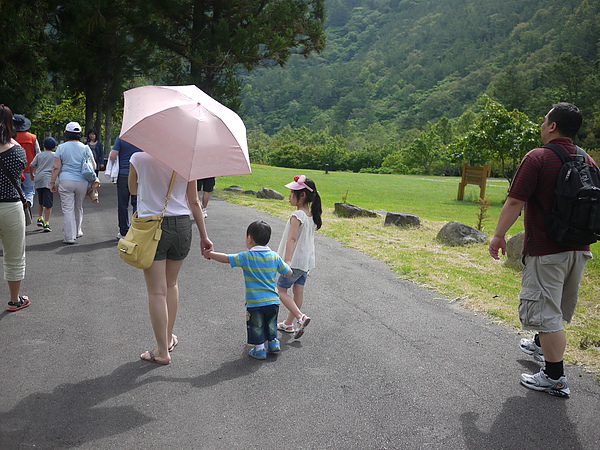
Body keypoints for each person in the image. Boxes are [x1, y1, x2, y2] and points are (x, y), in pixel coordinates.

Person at [489, 102, 596, 398]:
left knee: (547, 312)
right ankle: (539, 343)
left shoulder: (537, 157)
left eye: (544, 120)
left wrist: (499, 235)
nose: (541, 124)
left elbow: (514, 201)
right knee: (556, 305)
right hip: (580, 249)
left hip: (547, 251)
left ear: (552, 126)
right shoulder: (587, 159)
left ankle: (554, 377)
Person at [129, 152, 213, 365]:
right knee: (171, 284)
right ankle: (167, 340)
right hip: (182, 226)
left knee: (156, 291)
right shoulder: (186, 159)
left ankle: (161, 351)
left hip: (151, 226)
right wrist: (204, 236)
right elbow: (194, 201)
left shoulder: (138, 158)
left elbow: (132, 188)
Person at [204, 220, 292, 360]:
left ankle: (259, 350)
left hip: (255, 302)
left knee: (256, 326)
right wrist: (287, 265)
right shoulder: (274, 256)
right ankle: (273, 342)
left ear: (249, 238)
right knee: (271, 322)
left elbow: (227, 258)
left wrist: (210, 254)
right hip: (273, 300)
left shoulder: (246, 256)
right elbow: (288, 272)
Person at [276, 175, 322, 339]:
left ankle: (300, 317)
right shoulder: (310, 215)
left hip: (294, 262)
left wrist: (287, 261)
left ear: (302, 195)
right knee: (298, 292)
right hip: (305, 262)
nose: (289, 195)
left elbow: (292, 239)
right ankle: (288, 324)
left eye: (292, 192)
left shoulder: (297, 215)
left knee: (280, 290)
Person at [0, 105, 30, 312]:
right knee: (13, 255)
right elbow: (21, 170)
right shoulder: (17, 148)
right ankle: (14, 300)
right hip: (10, 206)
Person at [50, 122, 96, 244]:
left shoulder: (61, 147)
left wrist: (52, 182)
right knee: (78, 207)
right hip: (82, 181)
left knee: (68, 209)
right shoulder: (85, 147)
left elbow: (56, 167)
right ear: (79, 134)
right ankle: (77, 231)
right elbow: (94, 165)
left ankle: (69, 236)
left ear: (66, 134)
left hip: (66, 180)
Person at [110, 137, 142, 239]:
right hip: (139, 174)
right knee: (137, 203)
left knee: (123, 204)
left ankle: (124, 231)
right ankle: (136, 230)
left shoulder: (121, 138)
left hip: (124, 174)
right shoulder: (143, 139)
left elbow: (112, 156)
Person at [30, 137, 56, 232]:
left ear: (43, 146)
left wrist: (32, 175)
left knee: (41, 200)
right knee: (48, 204)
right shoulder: (55, 155)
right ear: (54, 147)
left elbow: (31, 165)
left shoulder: (39, 155)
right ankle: (47, 223)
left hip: (38, 179)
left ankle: (40, 217)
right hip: (48, 180)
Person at [13, 114, 40, 206]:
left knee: (17, 191)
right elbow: (38, 154)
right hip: (30, 169)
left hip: (15, 169)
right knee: (29, 190)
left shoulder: (10, 138)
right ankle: (28, 203)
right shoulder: (32, 137)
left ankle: (20, 206)